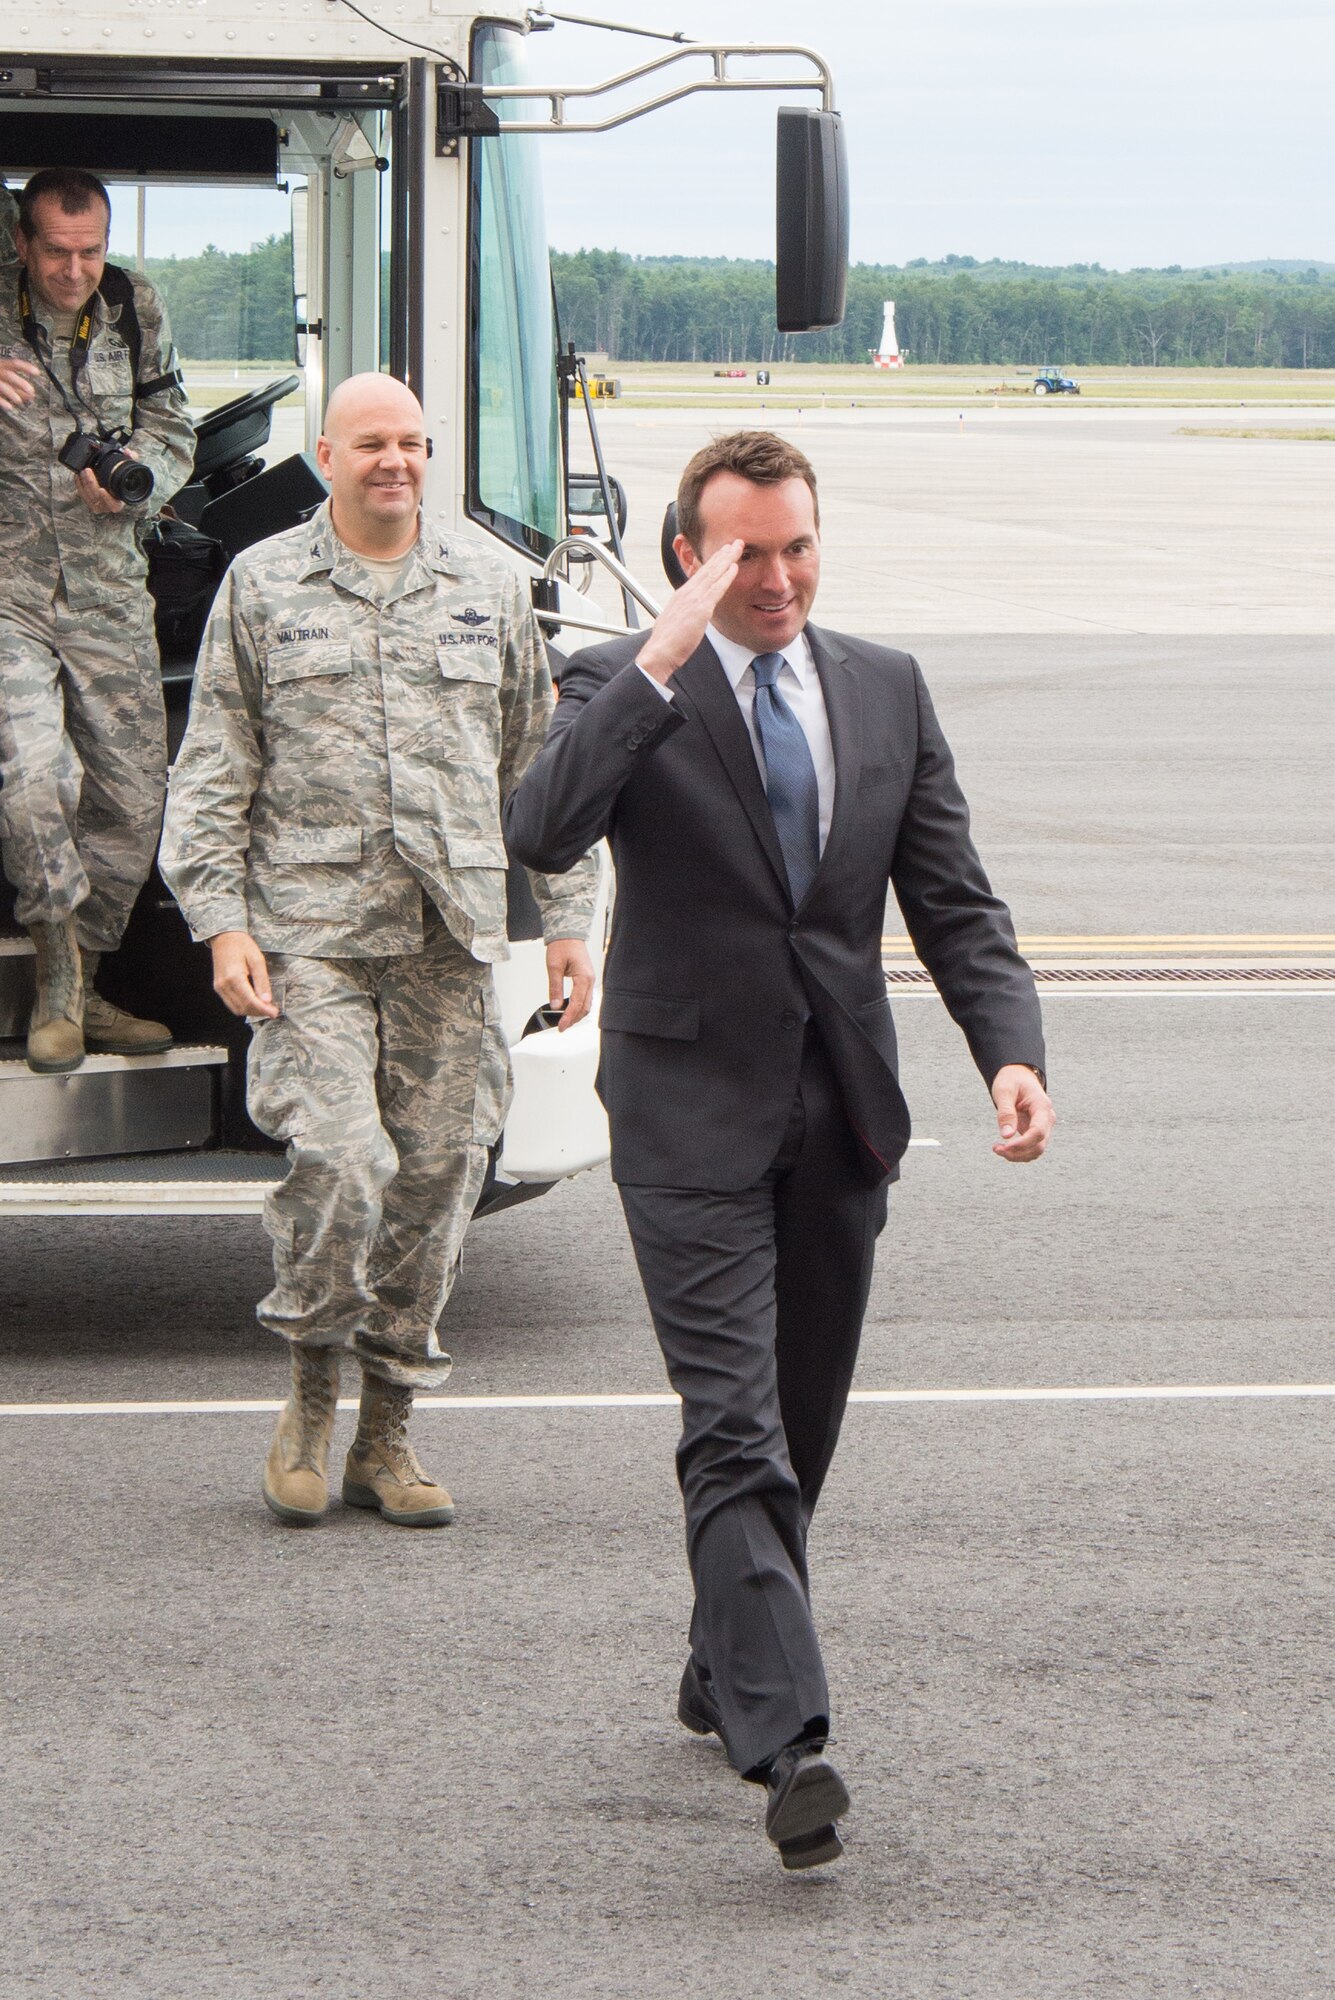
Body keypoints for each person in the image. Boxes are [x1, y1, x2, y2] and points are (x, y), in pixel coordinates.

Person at [505, 430, 1054, 1870]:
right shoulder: (616, 684)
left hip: (840, 1116)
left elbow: (949, 896)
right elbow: (541, 822)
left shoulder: (882, 685)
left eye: (797, 545)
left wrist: (1009, 1051)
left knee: (798, 1425)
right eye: (745, 551)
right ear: (689, 554)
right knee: (732, 1423)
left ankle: (718, 1659)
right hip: (685, 1110)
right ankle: (786, 1742)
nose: (779, 577)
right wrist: (656, 661)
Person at [160, 372, 597, 1530]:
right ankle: (310, 1390)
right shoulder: (264, 584)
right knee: (345, 1164)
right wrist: (222, 923)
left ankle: (387, 1430)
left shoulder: (491, 587)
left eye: (412, 442)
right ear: (327, 453)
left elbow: (542, 773)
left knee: (442, 1173)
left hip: (449, 937)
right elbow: (212, 768)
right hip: (311, 938)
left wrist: (569, 920)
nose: (395, 461)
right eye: (371, 445)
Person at [0, 168, 194, 1072]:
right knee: (39, 780)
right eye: (57, 252)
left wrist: (137, 478)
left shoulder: (134, 306)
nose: (76, 270)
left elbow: (172, 421)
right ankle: (54, 986)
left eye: (92, 250)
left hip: (110, 587)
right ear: (22, 243)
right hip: (8, 590)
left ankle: (88, 976)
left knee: (131, 795)